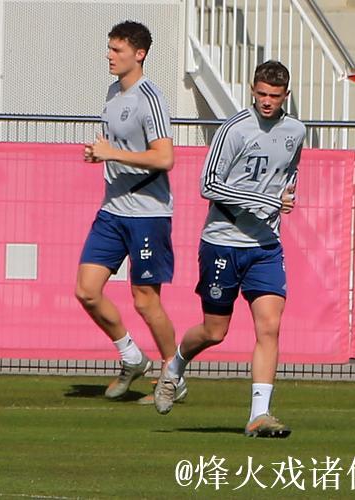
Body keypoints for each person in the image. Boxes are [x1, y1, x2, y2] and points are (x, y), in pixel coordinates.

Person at [153, 61, 303, 439]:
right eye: (261, 93)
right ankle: (175, 367)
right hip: (222, 241)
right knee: (214, 331)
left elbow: (289, 175)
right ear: (253, 90)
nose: (267, 101)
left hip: (265, 246)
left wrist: (287, 197)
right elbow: (209, 185)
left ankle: (259, 415)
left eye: (274, 96)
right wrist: (263, 200)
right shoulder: (233, 129)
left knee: (269, 326)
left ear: (285, 95)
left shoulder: (295, 131)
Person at [78, 21, 182, 402]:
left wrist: (112, 154)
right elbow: (118, 149)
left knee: (145, 300)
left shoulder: (149, 97)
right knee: (87, 291)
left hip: (147, 213)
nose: (109, 55)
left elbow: (165, 157)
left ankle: (173, 374)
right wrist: (100, 155)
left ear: (139, 54)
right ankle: (132, 356)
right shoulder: (112, 92)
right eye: (109, 48)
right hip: (113, 210)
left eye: (117, 50)